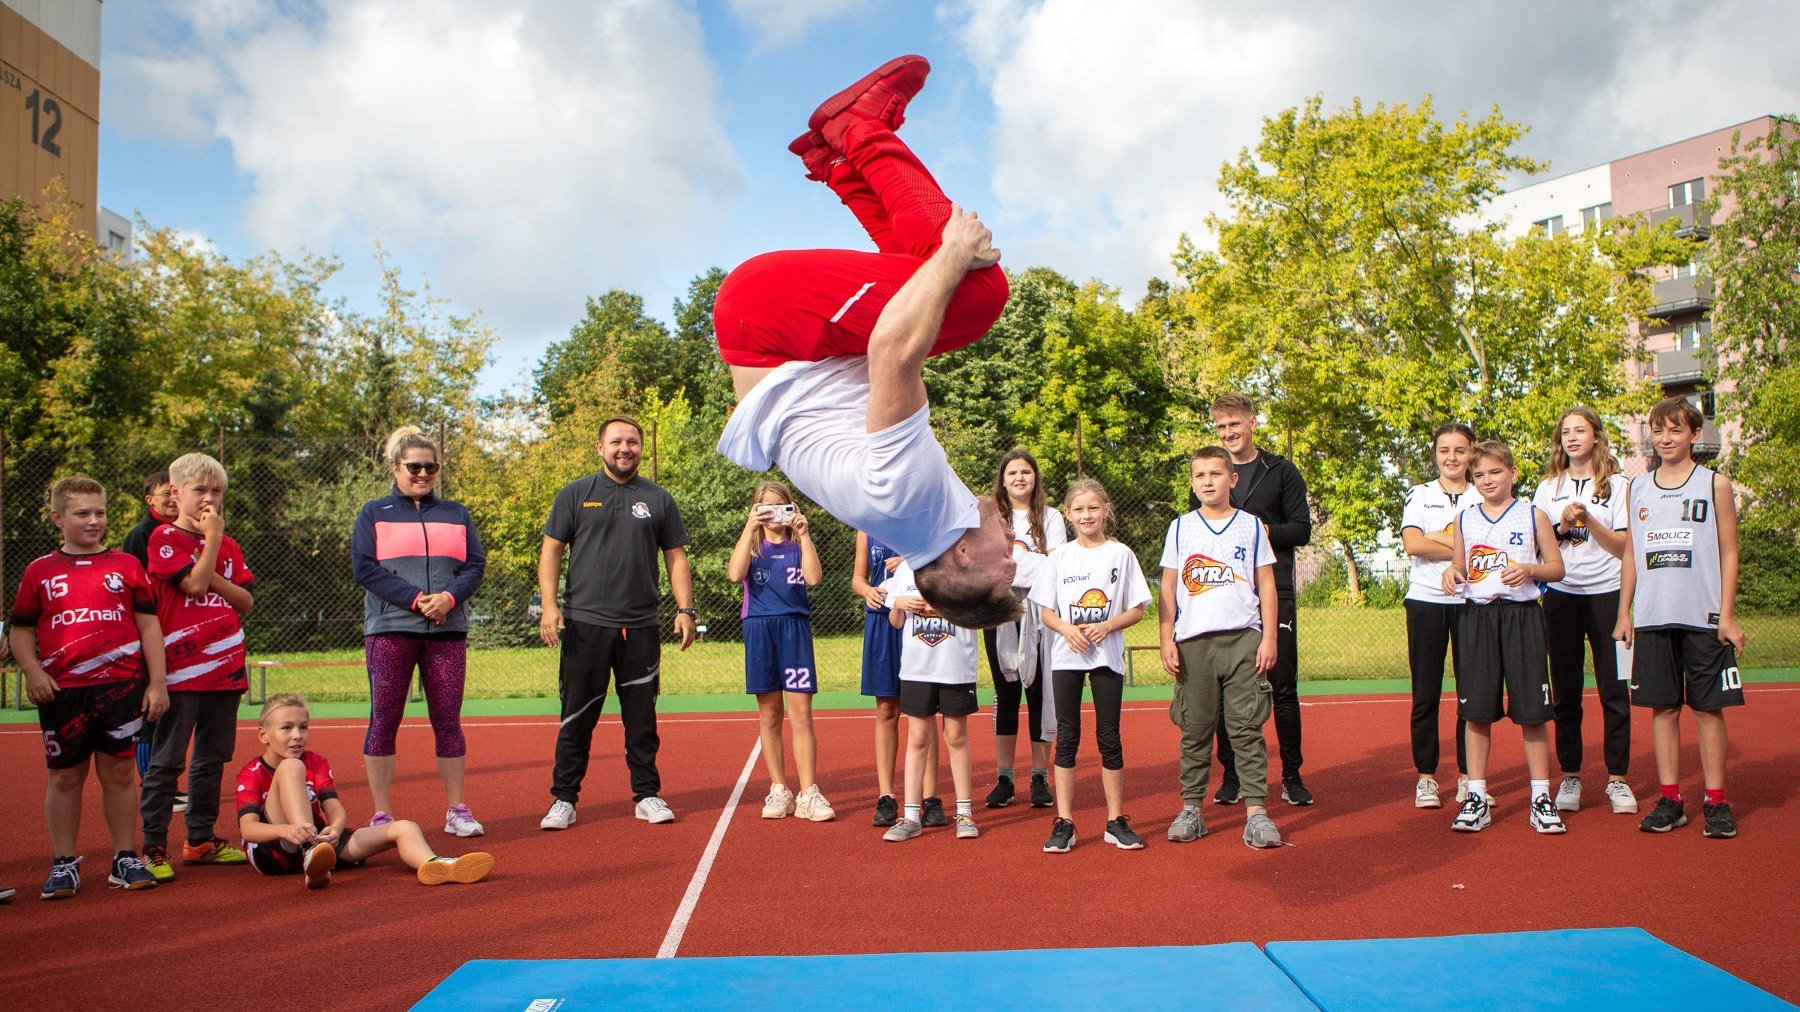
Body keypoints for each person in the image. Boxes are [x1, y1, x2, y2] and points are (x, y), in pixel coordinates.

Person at [713, 54, 1017, 629]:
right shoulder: (929, 520)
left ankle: (859, 126)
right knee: (925, 280)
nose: (1015, 549)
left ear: (963, 557)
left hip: (769, 319)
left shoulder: (912, 501)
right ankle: (837, 160)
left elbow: (891, 352)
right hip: (782, 343)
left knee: (977, 292)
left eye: (1007, 567)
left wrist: (956, 250)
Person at [9, 476, 169, 898]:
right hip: (63, 690)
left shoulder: (126, 566)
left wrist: (157, 683)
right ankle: (64, 862)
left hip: (121, 686)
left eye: (99, 512)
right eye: (82, 513)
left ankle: (124, 856)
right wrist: (34, 671)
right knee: (64, 776)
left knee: (118, 773)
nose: (94, 520)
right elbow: (20, 631)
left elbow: (149, 625)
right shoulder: (40, 571)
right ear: (57, 518)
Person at [538, 415, 696, 830]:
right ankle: (564, 800)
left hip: (641, 626)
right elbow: (551, 551)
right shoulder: (575, 494)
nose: (624, 448)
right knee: (576, 718)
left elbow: (676, 557)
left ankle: (647, 794)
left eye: (632, 442)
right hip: (584, 625)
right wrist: (550, 606)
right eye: (615, 442)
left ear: (641, 447)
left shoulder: (659, 499)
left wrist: (686, 609)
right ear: (600, 448)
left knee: (641, 718)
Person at [1615, 397, 1746, 839]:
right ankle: (1671, 799)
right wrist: (1624, 612)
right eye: (1657, 430)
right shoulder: (1637, 488)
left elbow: (1729, 551)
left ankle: (1716, 800)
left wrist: (1726, 615)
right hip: (1654, 617)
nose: (1665, 438)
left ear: (1694, 433)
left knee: (1709, 711)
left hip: (1703, 616)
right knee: (1663, 710)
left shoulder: (1714, 485)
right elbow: (1632, 552)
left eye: (1674, 430)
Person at [351, 425, 488, 835]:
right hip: (390, 630)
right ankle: (381, 813)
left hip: (447, 632)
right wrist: (416, 600)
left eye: (431, 467)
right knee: (384, 719)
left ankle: (457, 809)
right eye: (414, 466)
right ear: (396, 468)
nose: (424, 474)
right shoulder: (373, 513)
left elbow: (475, 566)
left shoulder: (456, 514)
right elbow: (365, 569)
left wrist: (448, 598)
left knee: (448, 719)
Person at [235, 694, 494, 888]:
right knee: (291, 767)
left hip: (319, 842)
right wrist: (287, 831)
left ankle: (437, 865)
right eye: (286, 728)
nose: (297, 735)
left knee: (404, 827)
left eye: (303, 727)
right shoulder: (253, 772)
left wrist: (335, 830)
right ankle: (308, 852)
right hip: (277, 849)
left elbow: (333, 807)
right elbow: (248, 829)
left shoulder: (316, 761)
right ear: (263, 735)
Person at [1161, 447, 1284, 850]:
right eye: (1200, 475)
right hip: (1194, 642)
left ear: (1233, 480)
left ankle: (1256, 813)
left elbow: (1266, 583)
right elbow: (1167, 587)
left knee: (1246, 728)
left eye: (1216, 473)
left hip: (1243, 639)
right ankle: (1192, 809)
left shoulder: (1251, 526)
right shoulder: (1180, 528)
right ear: (1192, 483)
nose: (1208, 481)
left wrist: (1269, 636)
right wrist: (1167, 637)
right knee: (1194, 729)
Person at [1441, 440, 1566, 835]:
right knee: (1475, 711)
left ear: (1512, 473)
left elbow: (1557, 568)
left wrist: (1530, 569)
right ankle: (1476, 795)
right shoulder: (1465, 518)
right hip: (1477, 618)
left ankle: (1541, 796)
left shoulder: (1533, 515)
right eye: (1479, 475)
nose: (1487, 480)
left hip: (1522, 617)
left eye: (1495, 472)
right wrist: (1451, 573)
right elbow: (1460, 563)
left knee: (1533, 711)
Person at [1194, 394, 1313, 807]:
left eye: (1235, 425)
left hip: (1273, 591)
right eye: (1221, 427)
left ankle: (1293, 775)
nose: (1229, 433)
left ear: (1252, 422)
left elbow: (1301, 530)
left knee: (1281, 686)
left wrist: (1260, 530)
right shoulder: (1210, 476)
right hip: (1224, 598)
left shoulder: (1280, 471)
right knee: (1227, 691)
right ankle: (1232, 775)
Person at [140, 452, 254, 880]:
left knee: (211, 758)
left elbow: (245, 601)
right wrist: (211, 538)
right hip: (181, 670)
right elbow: (193, 583)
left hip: (225, 669)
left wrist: (216, 553)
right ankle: (152, 845)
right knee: (168, 760)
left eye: (217, 492)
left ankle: (200, 840)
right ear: (176, 493)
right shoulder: (163, 539)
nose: (209, 499)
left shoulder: (229, 545)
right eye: (199, 490)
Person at [1029, 479, 1150, 853]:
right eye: (1079, 509)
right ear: (1068, 514)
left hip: (1106, 657)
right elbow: (1046, 611)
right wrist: (1066, 628)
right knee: (1067, 736)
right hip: (1067, 657)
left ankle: (1115, 820)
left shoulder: (1121, 554)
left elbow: (1138, 608)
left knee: (1109, 736)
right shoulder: (1060, 557)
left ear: (1106, 510)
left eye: (1093, 508)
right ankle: (1065, 821)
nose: (1087, 515)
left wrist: (1108, 625)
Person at [1533, 407, 1635, 816]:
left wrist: (1588, 519)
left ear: (1596, 437)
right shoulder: (1547, 488)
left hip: (1608, 595)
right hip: (1561, 596)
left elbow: (1624, 549)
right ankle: (1571, 774)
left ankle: (1618, 778)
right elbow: (1541, 549)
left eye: (1580, 430)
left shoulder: (1620, 485)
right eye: (1565, 432)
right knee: (1566, 691)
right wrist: (1561, 525)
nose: (1572, 438)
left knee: (1615, 689)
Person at [728, 480, 834, 822]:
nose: (774, 515)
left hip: (794, 629)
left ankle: (809, 792)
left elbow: (814, 579)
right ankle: (779, 789)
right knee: (770, 714)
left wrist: (804, 535)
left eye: (780, 507)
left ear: (791, 509)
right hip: (759, 627)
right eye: (766, 508)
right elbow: (734, 574)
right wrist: (749, 526)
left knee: (801, 713)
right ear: (756, 510)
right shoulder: (752, 545)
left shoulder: (797, 543)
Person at [1401, 423, 1475, 808]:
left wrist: (1442, 540)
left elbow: (1488, 546)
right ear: (1435, 454)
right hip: (1426, 601)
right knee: (1425, 693)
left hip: (1471, 603)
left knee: (1472, 694)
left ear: (1471, 454)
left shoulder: (1483, 494)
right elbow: (1413, 543)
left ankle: (1468, 777)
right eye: (1444, 450)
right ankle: (1427, 778)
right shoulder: (1421, 494)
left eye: (1460, 450)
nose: (1451, 457)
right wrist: (1462, 543)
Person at [984, 449, 1063, 810]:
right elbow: (984, 563)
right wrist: (1029, 563)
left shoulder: (1052, 517)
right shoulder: (987, 517)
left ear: (1035, 478)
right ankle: (1004, 777)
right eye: (1012, 472)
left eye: (1026, 472)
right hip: (999, 610)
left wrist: (1013, 559)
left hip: (1039, 612)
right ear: (1002, 479)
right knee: (1006, 693)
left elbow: (1055, 567)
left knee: (1039, 692)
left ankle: (1039, 775)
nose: (1019, 478)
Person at [882, 560, 981, 842]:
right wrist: (899, 604)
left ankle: (964, 813)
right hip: (917, 668)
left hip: (955, 667)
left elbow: (977, 616)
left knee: (956, 736)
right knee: (917, 738)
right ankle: (911, 816)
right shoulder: (906, 569)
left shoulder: (965, 567)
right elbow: (896, 621)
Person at [854, 531, 930, 828]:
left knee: (923, 710)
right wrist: (866, 591)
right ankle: (886, 795)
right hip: (881, 623)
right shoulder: (866, 527)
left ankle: (930, 796)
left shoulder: (921, 521)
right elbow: (858, 578)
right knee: (887, 709)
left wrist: (913, 563)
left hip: (918, 618)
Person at [122, 469, 180, 802]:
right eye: (165, 494)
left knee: (171, 710)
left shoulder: (186, 532)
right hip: (148, 632)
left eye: (176, 492)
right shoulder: (140, 535)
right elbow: (137, 589)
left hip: (177, 633)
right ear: (150, 500)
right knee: (151, 710)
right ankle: (153, 785)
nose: (172, 499)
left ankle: (166, 783)